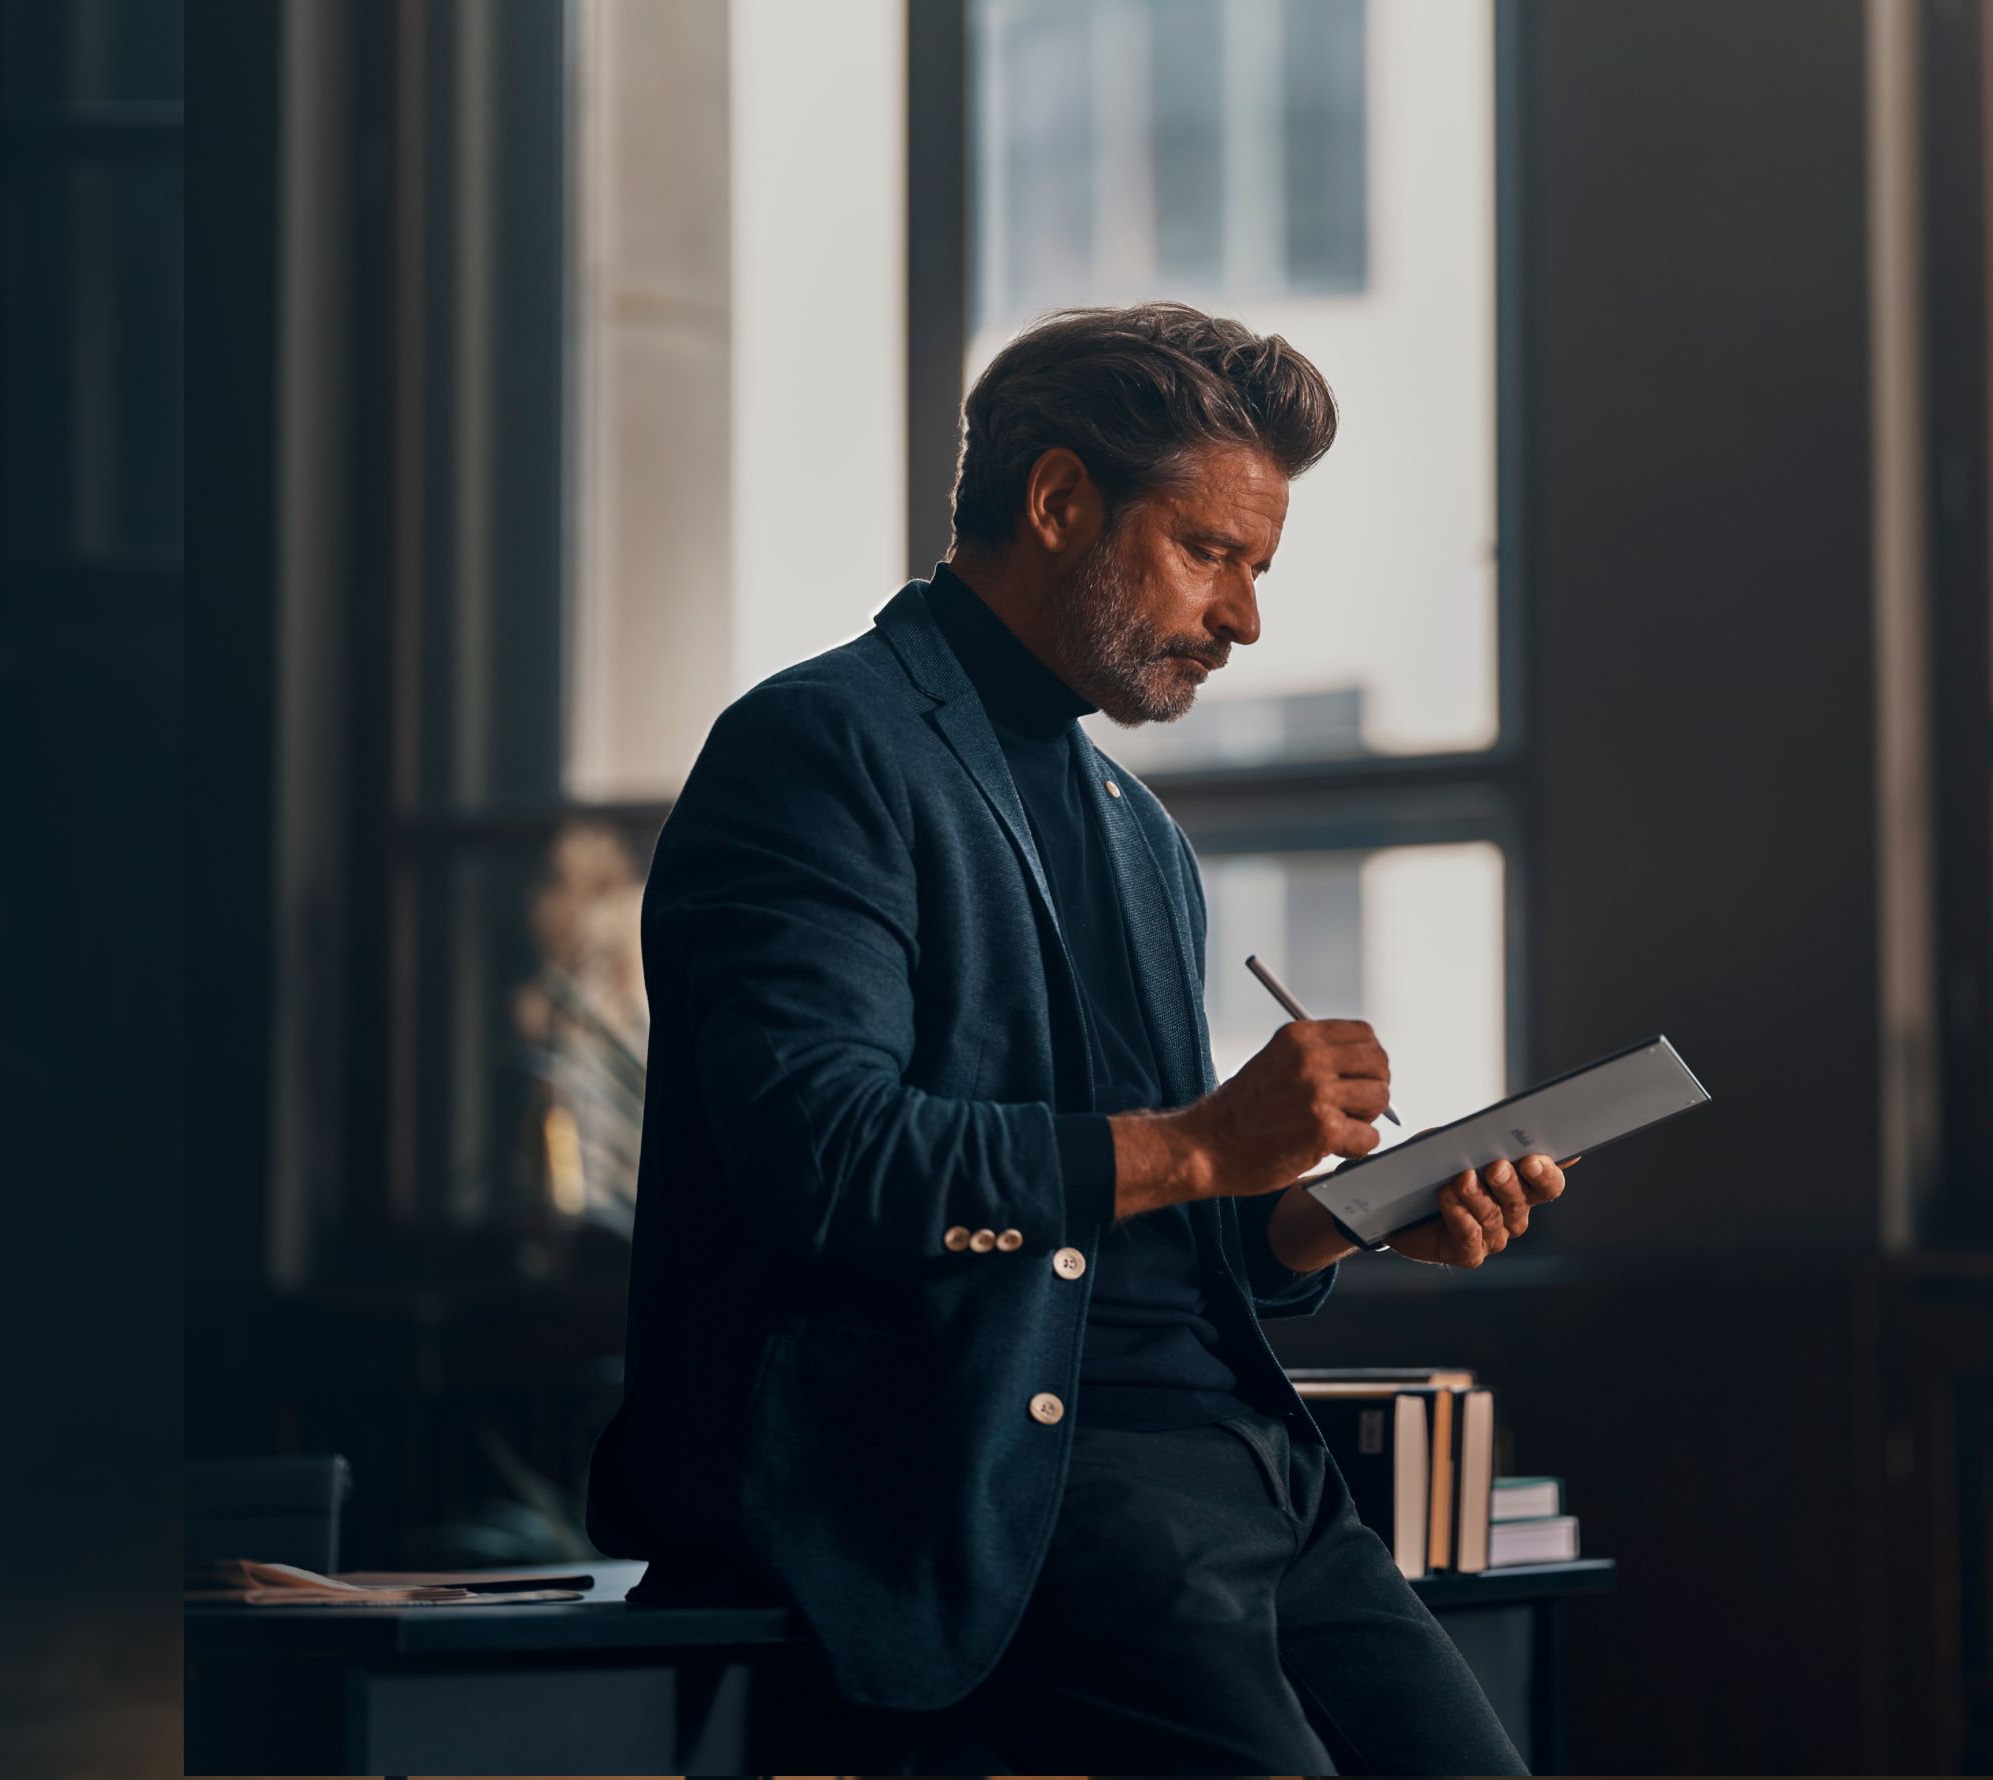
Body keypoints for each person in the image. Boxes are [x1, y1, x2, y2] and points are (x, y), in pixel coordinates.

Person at [581, 302, 1565, 1776]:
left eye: (1258, 570)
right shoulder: (822, 751)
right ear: (1057, 503)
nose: (1243, 619)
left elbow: (1158, 1228)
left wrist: (1331, 1220)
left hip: (1253, 1472)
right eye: (1210, 553)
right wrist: (1203, 1143)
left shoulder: (1139, 834)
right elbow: (823, 1158)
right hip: (994, 1477)